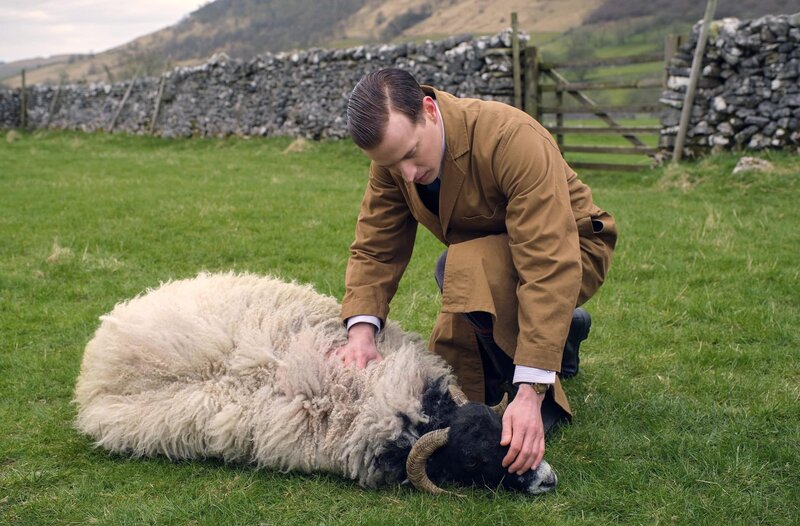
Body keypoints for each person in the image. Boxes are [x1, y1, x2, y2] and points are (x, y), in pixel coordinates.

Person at [332, 68, 617, 478]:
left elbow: (547, 264)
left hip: (572, 250)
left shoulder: (512, 138)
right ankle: (564, 334)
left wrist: (531, 391)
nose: (407, 174)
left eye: (411, 153)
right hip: (490, 262)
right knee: (460, 287)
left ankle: (538, 396)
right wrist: (361, 331)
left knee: (459, 268)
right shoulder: (395, 163)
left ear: (429, 110)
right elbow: (377, 243)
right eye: (393, 164)